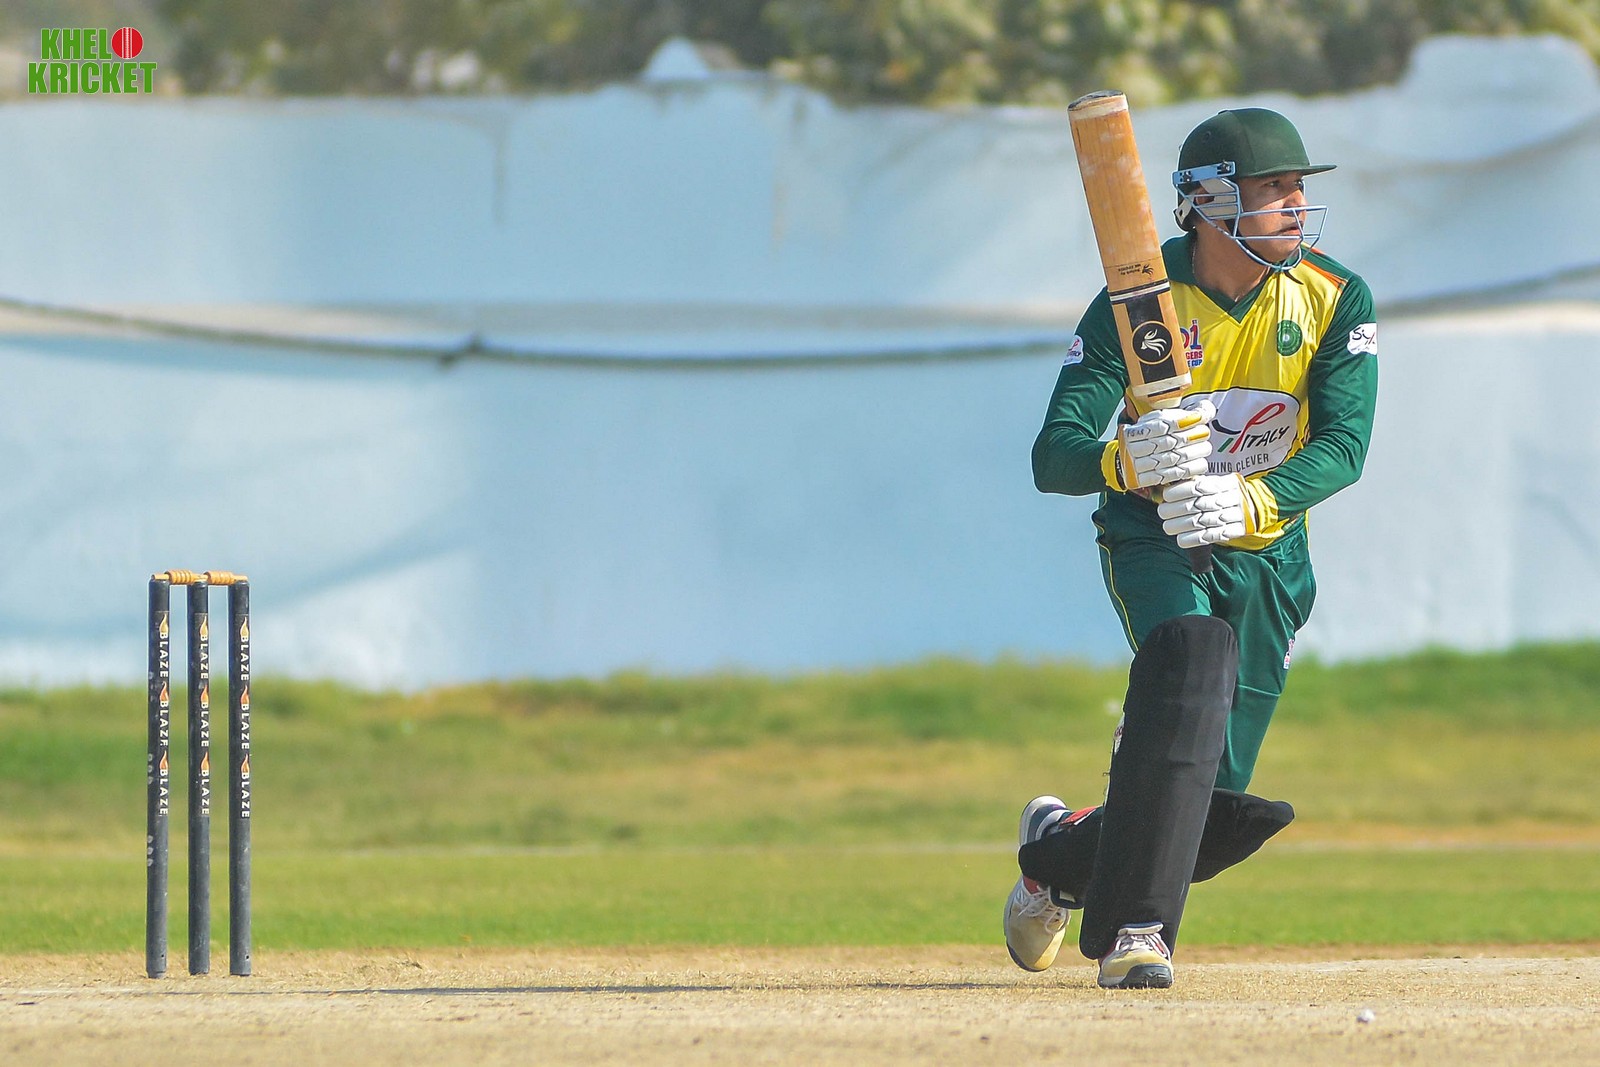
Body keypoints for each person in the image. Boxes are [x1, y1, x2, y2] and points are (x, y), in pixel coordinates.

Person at [1004, 108, 1378, 988]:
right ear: (1210, 202)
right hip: (1155, 536)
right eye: (1275, 188)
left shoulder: (1335, 296)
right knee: (1189, 667)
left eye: (1298, 187)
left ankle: (1055, 859)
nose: (1296, 204)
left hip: (1268, 550)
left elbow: (1344, 445)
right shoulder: (1140, 303)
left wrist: (1253, 497)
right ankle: (1137, 934)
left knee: (1208, 807)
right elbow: (1053, 455)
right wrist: (1120, 458)